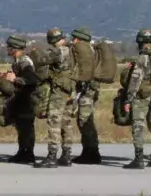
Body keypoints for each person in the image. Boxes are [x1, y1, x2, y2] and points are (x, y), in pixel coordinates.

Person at [122, 28, 151, 169]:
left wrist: (128, 99)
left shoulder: (143, 56)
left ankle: (139, 159)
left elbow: (136, 80)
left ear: (140, 42)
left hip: (142, 95)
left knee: (138, 125)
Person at [33, 28, 76, 168]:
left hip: (59, 91)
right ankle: (67, 155)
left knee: (54, 122)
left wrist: (34, 52)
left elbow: (41, 60)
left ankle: (52, 156)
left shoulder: (59, 51)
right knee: (67, 123)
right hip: (71, 90)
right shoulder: (72, 51)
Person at [4, 35, 38, 164]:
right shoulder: (19, 60)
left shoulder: (24, 61)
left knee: (26, 126)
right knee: (22, 126)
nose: (7, 49)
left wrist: (15, 79)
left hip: (27, 98)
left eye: (9, 47)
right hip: (22, 98)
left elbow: (31, 79)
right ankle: (23, 151)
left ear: (14, 48)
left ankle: (28, 153)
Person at [71, 27, 102, 164]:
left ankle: (92, 153)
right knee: (86, 119)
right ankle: (88, 151)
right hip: (91, 90)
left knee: (85, 121)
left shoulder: (85, 52)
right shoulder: (92, 50)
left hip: (87, 91)